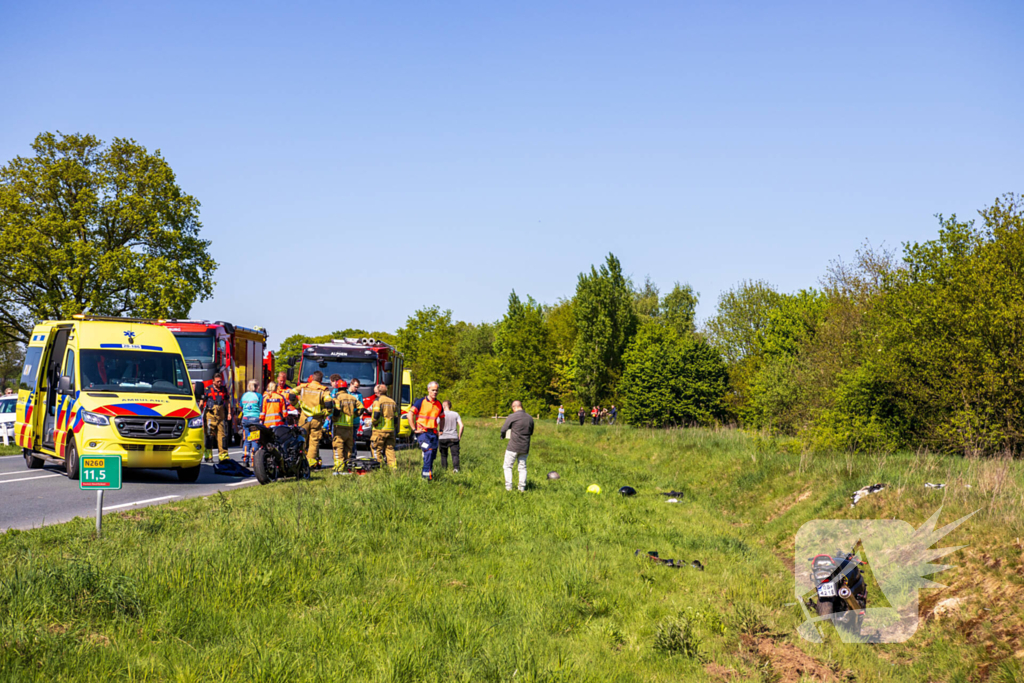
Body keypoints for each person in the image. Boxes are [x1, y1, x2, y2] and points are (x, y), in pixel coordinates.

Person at [289, 370, 331, 469]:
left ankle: (299, 461)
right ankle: (309, 464)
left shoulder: (304, 387)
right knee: (314, 442)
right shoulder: (323, 390)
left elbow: (291, 394)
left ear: (312, 378)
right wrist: (326, 413)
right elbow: (329, 403)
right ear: (321, 380)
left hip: (304, 418)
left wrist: (297, 406)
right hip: (316, 419)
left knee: (301, 439)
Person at [408, 381, 445, 480]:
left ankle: (429, 474)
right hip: (422, 433)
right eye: (433, 390)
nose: (435, 392)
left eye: (436, 390)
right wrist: (414, 429)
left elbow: (442, 418)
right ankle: (425, 476)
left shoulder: (439, 404)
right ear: (428, 390)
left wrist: (441, 429)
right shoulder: (421, 402)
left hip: (433, 433)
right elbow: (409, 414)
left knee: (432, 455)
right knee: (428, 451)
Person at [329, 375, 362, 474]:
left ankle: (339, 467)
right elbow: (361, 407)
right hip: (350, 426)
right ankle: (347, 466)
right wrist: (355, 415)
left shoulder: (337, 398)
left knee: (338, 447)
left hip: (339, 427)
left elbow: (336, 410)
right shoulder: (352, 398)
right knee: (348, 447)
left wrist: (334, 418)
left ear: (338, 388)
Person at [500, 400, 535, 492]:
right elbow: (531, 432)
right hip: (525, 447)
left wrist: (503, 436)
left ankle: (508, 488)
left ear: (514, 407)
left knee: (508, 466)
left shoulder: (512, 416)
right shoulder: (529, 418)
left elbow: (503, 429)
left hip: (513, 446)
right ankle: (521, 488)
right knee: (522, 467)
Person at [203, 375, 232, 462]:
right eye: (218, 381)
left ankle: (223, 456)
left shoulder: (224, 390)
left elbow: (227, 402)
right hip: (210, 415)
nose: (220, 383)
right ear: (213, 382)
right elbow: (202, 402)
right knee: (209, 435)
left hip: (221, 415)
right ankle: (208, 456)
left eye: (220, 381)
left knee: (222, 436)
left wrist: (229, 413)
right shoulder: (208, 390)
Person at [370, 383, 398, 470]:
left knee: (376, 449)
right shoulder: (392, 402)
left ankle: (378, 468)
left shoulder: (378, 401)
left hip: (379, 430)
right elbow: (396, 418)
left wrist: (373, 422)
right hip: (390, 431)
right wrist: (393, 427)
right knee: (390, 450)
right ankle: (393, 468)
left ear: (378, 392)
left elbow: (376, 414)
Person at [239, 380, 262, 467]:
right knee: (255, 440)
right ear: (256, 387)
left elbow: (241, 406)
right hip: (255, 420)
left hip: (245, 419)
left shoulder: (244, 395)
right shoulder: (258, 396)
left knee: (246, 440)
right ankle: (253, 460)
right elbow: (261, 407)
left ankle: (245, 459)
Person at [438, 399, 464, 472]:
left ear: (444, 406)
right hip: (453, 437)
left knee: (443, 455)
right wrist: (459, 436)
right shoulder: (456, 414)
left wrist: (437, 434)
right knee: (455, 454)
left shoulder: (440, 415)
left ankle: (444, 470)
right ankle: (456, 469)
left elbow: (435, 425)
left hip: (442, 437)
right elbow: (461, 426)